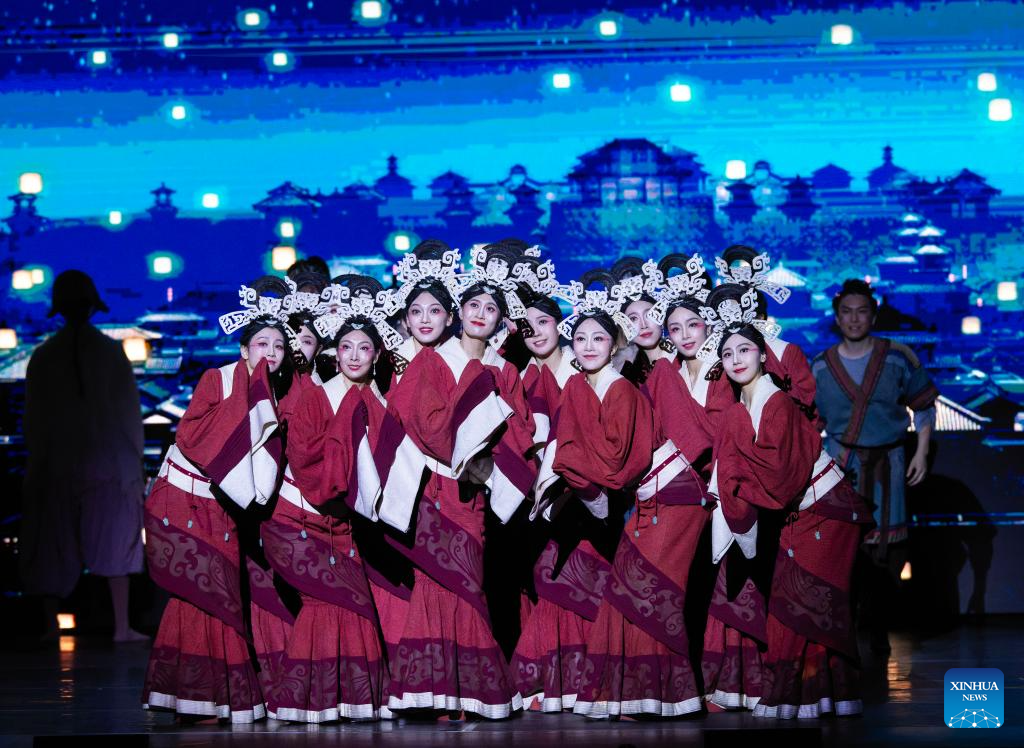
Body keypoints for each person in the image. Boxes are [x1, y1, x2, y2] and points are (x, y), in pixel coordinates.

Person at [376, 244, 536, 719]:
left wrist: (490, 459)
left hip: (473, 492)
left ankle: (466, 691)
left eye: (491, 308)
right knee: (435, 585)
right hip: (432, 487)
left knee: (468, 585)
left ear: (502, 320)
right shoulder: (430, 361)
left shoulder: (504, 369)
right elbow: (417, 420)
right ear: (458, 314)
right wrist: (465, 439)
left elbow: (520, 432)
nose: (480, 314)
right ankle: (431, 692)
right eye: (473, 306)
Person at [706, 291, 872, 718]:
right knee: (799, 601)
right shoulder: (744, 404)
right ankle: (820, 696)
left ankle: (801, 695)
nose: (736, 359)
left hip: (826, 508)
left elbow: (779, 480)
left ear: (763, 355)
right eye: (727, 353)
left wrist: (738, 456)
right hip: (804, 508)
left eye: (745, 349)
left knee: (803, 601)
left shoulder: (775, 401)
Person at [142, 278, 289, 722]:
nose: (270, 351)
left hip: (221, 503)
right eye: (260, 342)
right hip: (185, 497)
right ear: (243, 349)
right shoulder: (218, 379)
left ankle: (216, 695)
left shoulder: (276, 391)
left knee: (218, 593)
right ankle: (195, 695)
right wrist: (249, 400)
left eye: (278, 344)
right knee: (198, 592)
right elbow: (189, 434)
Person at [261, 281, 404, 722]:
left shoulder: (379, 402)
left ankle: (345, 700)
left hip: (341, 527)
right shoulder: (315, 397)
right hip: (298, 519)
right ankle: (306, 701)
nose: (356, 356)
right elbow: (306, 464)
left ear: (377, 355)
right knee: (333, 604)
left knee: (355, 606)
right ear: (335, 353)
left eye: (365, 348)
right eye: (347, 347)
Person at [812, 279, 939, 653]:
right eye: (847, 312)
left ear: (874, 314)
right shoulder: (821, 366)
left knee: (889, 549)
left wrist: (921, 452)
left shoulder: (899, 357)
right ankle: (847, 628)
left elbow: (925, 405)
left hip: (891, 461)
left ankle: (878, 625)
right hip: (842, 463)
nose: (854, 319)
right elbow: (812, 421)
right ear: (837, 317)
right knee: (843, 549)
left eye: (862, 311)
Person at [21, 269, 147, 642]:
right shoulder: (109, 352)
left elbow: (34, 415)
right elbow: (128, 412)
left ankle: (49, 625)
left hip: (58, 461)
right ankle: (121, 626)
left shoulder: (45, 355)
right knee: (113, 537)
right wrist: (133, 462)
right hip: (107, 460)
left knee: (52, 542)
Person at [714, 246, 816, 415]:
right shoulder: (719, 352)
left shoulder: (785, 352)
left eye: (743, 313)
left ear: (760, 317)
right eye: (729, 314)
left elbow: (806, 404)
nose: (736, 320)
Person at [608, 257, 675, 385]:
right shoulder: (624, 368)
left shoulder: (680, 359)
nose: (643, 325)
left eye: (649, 314)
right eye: (633, 318)